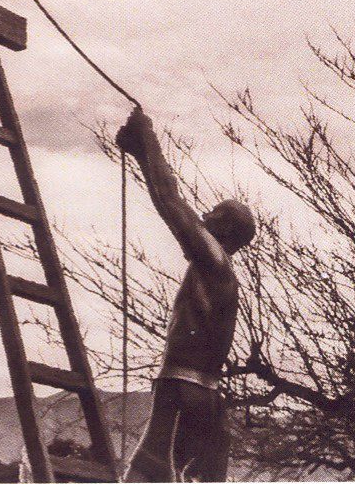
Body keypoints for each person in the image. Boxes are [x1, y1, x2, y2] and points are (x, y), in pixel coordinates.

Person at [116, 106, 256, 483]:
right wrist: (139, 153)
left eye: (212, 213)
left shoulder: (213, 258)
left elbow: (170, 201)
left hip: (183, 387)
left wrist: (146, 139)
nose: (204, 217)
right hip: (204, 393)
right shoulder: (221, 272)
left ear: (224, 230)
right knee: (189, 476)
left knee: (146, 472)